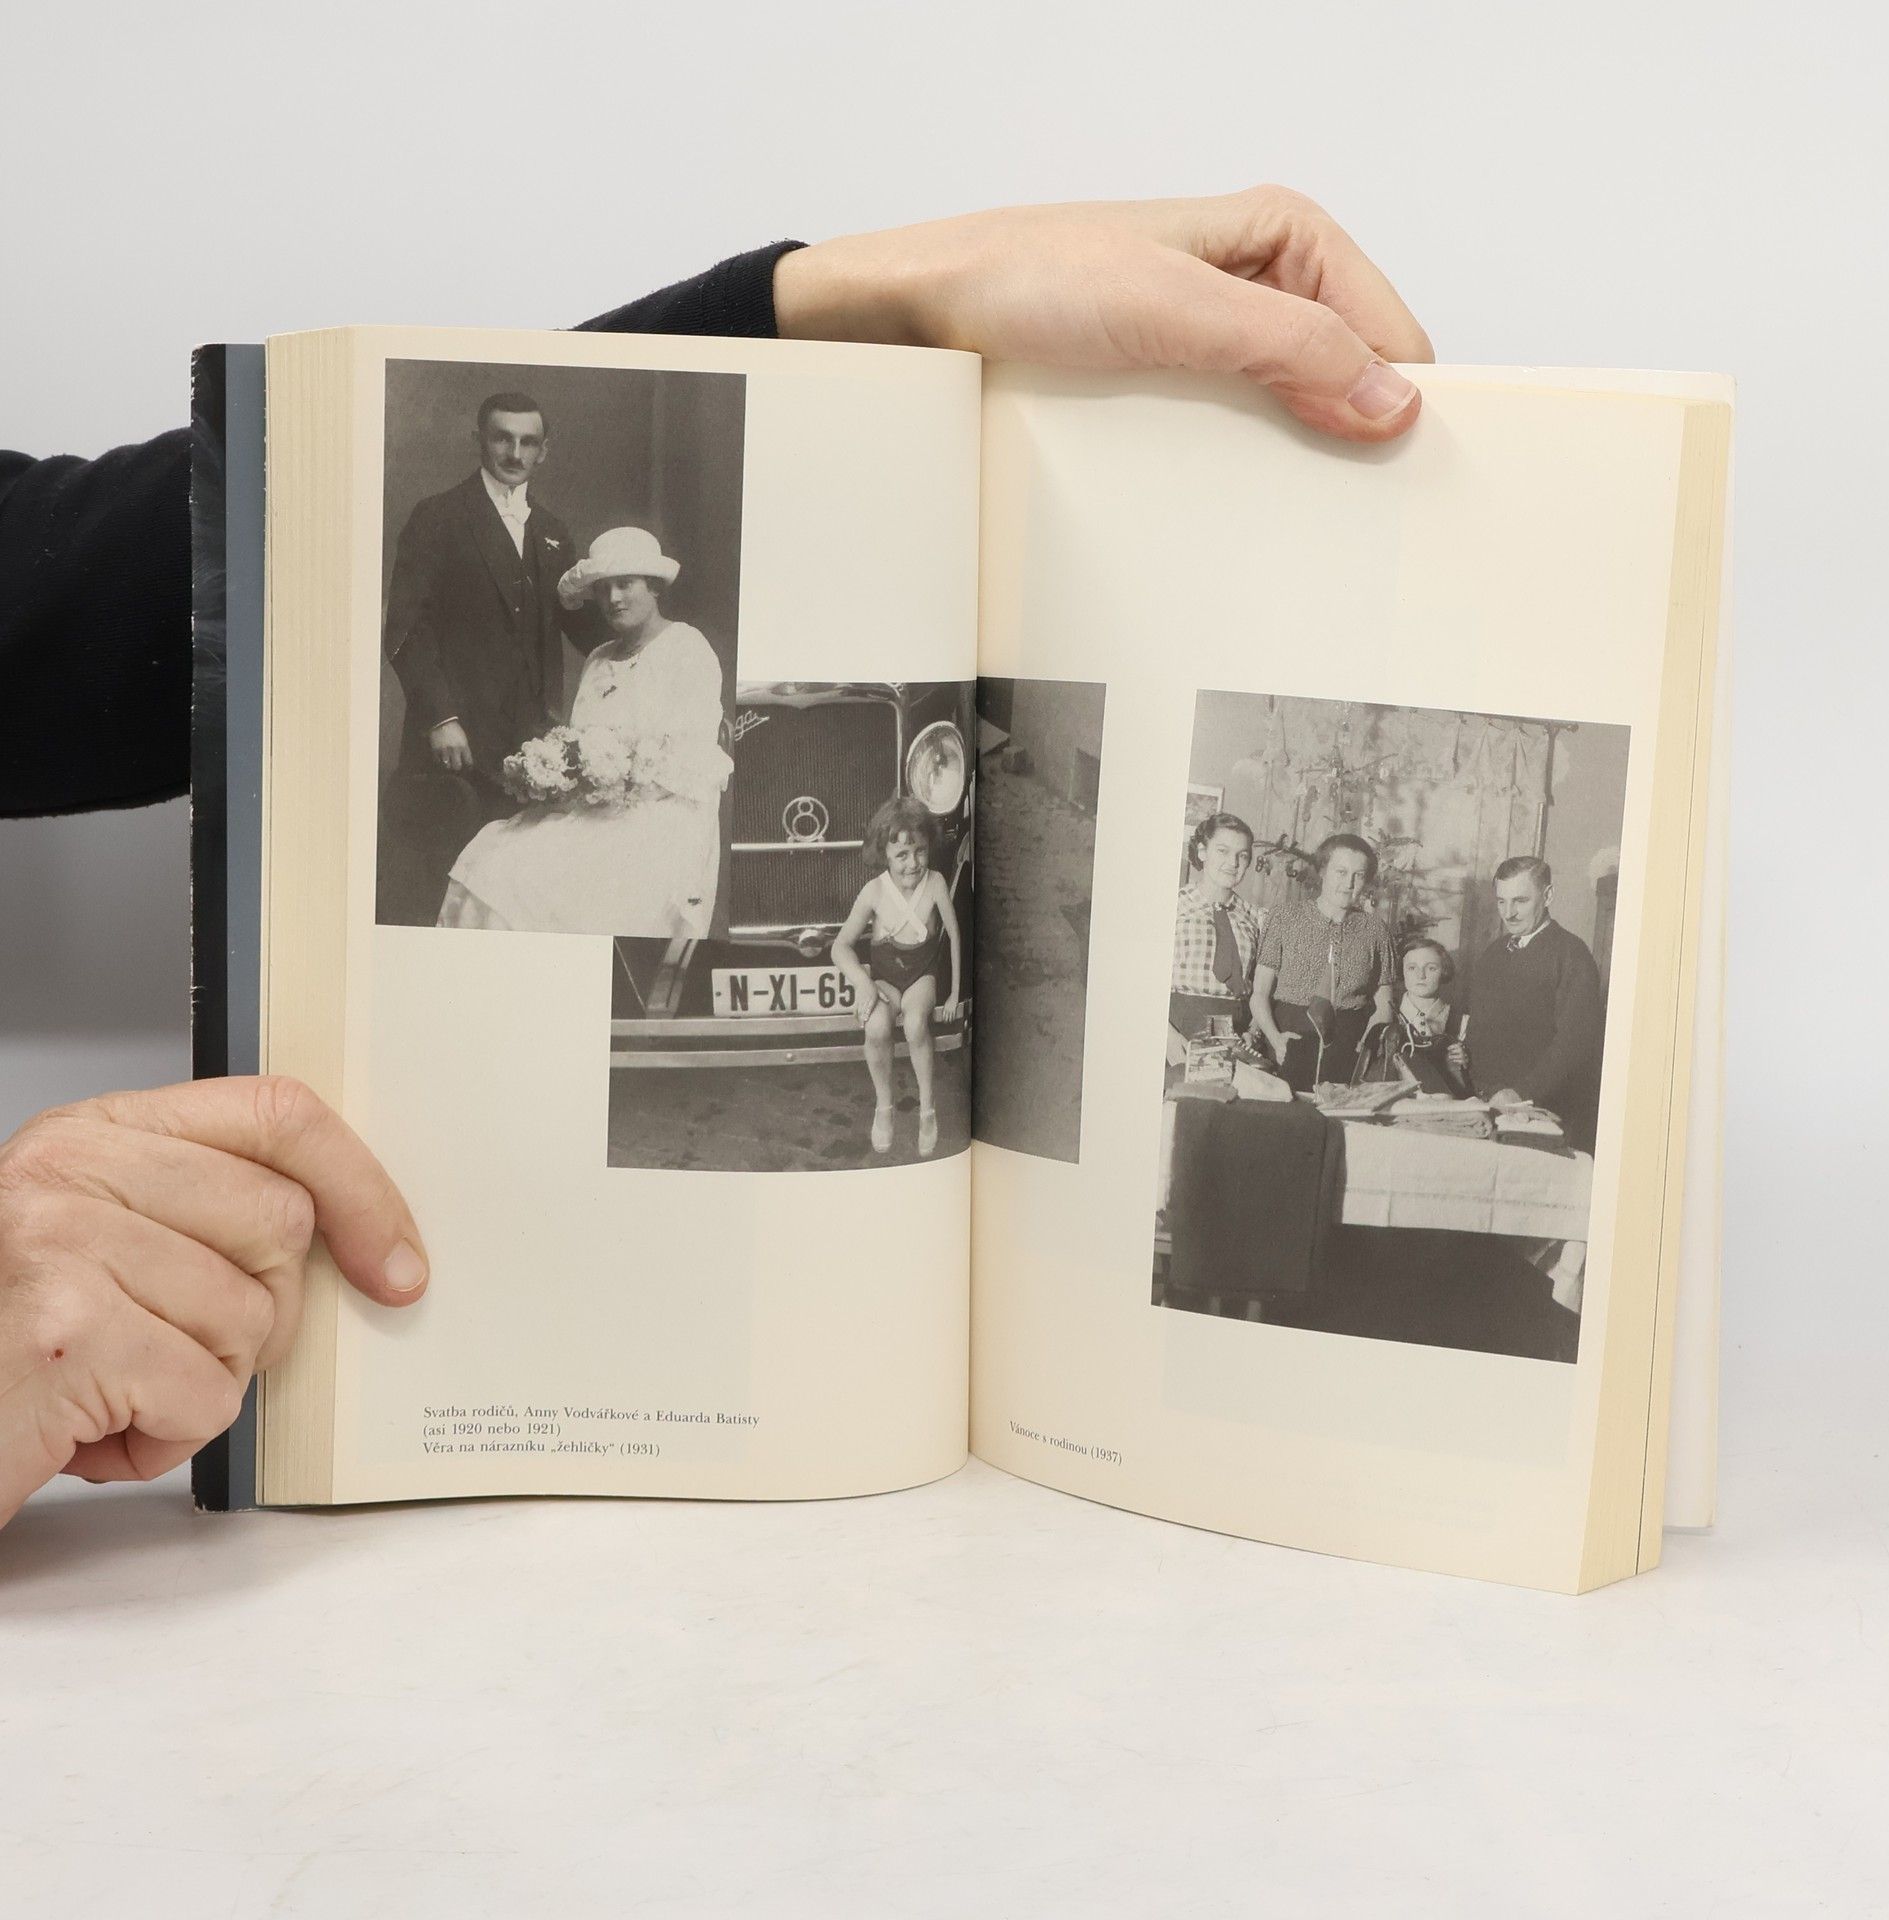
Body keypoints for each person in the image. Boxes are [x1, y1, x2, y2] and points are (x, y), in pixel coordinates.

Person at [0, 187, 1431, 1530]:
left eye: (638, 581)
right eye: (610, 584)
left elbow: (63, 592)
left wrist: (849, 302)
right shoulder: (554, 616)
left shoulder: (679, 652)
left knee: (582, 881)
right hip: (614, 824)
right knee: (498, 859)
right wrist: (553, 764)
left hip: (676, 820)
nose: (622, 593)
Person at [436, 527, 733, 937]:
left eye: (625, 584)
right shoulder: (598, 659)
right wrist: (562, 772)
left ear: (654, 586)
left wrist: (615, 778)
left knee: (541, 884)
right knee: (493, 863)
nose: (613, 598)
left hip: (661, 816)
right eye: (603, 588)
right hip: (593, 809)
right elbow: (582, 739)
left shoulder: (686, 647)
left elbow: (689, 757)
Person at [379, 390, 587, 926]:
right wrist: (440, 718)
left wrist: (664, 653)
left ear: (545, 450)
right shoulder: (438, 516)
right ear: (479, 440)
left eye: (528, 442)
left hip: (531, 751)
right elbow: (405, 629)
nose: (515, 454)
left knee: (511, 902)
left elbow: (584, 625)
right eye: (503, 439)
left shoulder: (553, 532)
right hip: (456, 748)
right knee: (437, 893)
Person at [831, 798, 964, 1158]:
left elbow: (954, 935)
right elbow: (840, 946)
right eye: (902, 854)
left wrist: (953, 994)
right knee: (875, 1028)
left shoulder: (935, 883)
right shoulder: (874, 891)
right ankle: (884, 1106)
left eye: (920, 851)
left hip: (922, 976)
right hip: (885, 980)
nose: (912, 863)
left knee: (917, 1023)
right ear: (884, 854)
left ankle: (927, 1109)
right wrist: (863, 983)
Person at [1458, 855, 1605, 1152]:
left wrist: (1521, 1093)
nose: (1508, 913)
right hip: (1487, 1106)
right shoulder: (1493, 953)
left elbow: (1574, 1044)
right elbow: (1478, 1030)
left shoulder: (1572, 955)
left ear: (1547, 896)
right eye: (1502, 902)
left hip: (1542, 1112)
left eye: (1520, 901)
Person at [1248, 831, 1397, 1091]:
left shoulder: (1375, 930)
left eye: (1359, 875)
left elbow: (1385, 1004)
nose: (1349, 883)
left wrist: (1366, 1046)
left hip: (1349, 1046)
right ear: (1323, 871)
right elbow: (1259, 994)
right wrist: (1275, 1039)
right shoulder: (1284, 917)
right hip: (1290, 1039)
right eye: (1341, 872)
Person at [1168, 811, 1263, 1045]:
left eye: (1242, 855)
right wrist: (1168, 1038)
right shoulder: (1173, 906)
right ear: (1202, 851)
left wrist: (1253, 1032)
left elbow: (1263, 991)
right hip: (1178, 1030)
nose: (1233, 863)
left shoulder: (1257, 918)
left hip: (1235, 1034)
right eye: (1223, 851)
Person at [1367, 935, 1471, 1097]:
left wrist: (1466, 1062)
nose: (1421, 975)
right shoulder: (1385, 1020)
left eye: (1431, 968)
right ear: (1402, 971)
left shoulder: (1461, 1021)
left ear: (1444, 971)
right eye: (1412, 968)